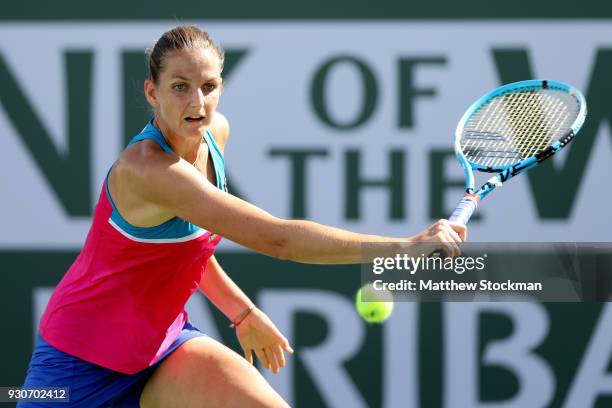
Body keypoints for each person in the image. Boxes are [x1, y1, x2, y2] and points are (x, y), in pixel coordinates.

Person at [19, 25, 466, 408]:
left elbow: (186, 246)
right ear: (152, 92)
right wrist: (405, 246)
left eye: (209, 86)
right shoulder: (147, 170)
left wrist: (241, 312)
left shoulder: (215, 133)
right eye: (179, 87)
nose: (197, 102)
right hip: (77, 363)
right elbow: (279, 241)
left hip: (162, 347)